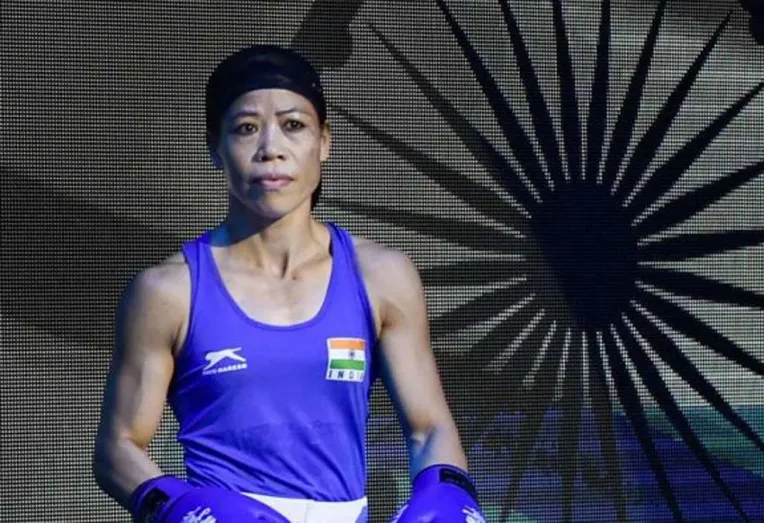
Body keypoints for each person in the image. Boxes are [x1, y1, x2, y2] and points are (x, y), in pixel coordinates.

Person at [92, 44, 486, 523]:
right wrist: (177, 506)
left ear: (324, 142)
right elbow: (117, 447)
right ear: (215, 148)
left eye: (293, 125)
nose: (270, 149)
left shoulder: (382, 277)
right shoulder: (169, 292)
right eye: (246, 128)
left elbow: (430, 428)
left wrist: (447, 493)